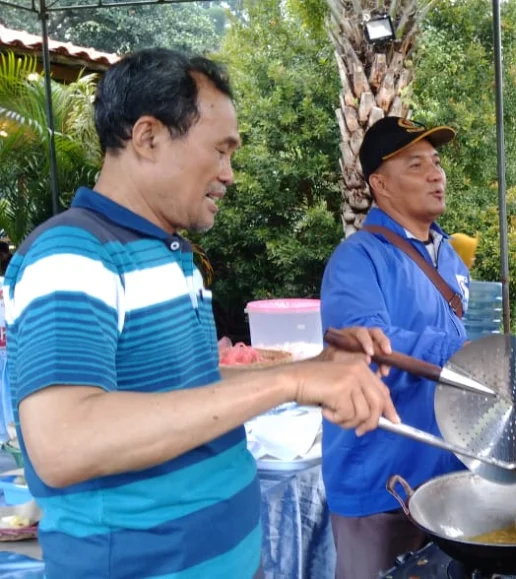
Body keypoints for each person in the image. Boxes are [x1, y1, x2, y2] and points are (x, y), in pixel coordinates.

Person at [2, 48, 399, 578]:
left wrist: (315, 367)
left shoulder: (170, 254)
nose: (229, 174)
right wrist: (292, 383)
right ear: (148, 137)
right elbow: (64, 441)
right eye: (220, 150)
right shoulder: (74, 254)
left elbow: (178, 398)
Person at [320, 115, 470, 579]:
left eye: (437, 162)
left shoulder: (449, 253)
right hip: (382, 485)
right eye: (416, 164)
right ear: (380, 184)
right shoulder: (357, 258)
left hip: (446, 475)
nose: (436, 174)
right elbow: (370, 348)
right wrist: (469, 357)